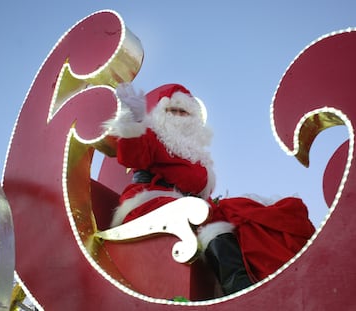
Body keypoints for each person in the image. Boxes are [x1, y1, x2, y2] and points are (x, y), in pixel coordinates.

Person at [104, 83, 315, 296]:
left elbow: (196, 185)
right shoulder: (152, 136)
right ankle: (241, 292)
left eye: (183, 112)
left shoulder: (196, 155)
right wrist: (132, 123)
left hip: (193, 211)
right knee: (231, 213)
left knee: (238, 219)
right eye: (172, 110)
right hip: (151, 203)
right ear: (162, 113)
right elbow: (133, 154)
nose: (178, 116)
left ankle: (244, 287)